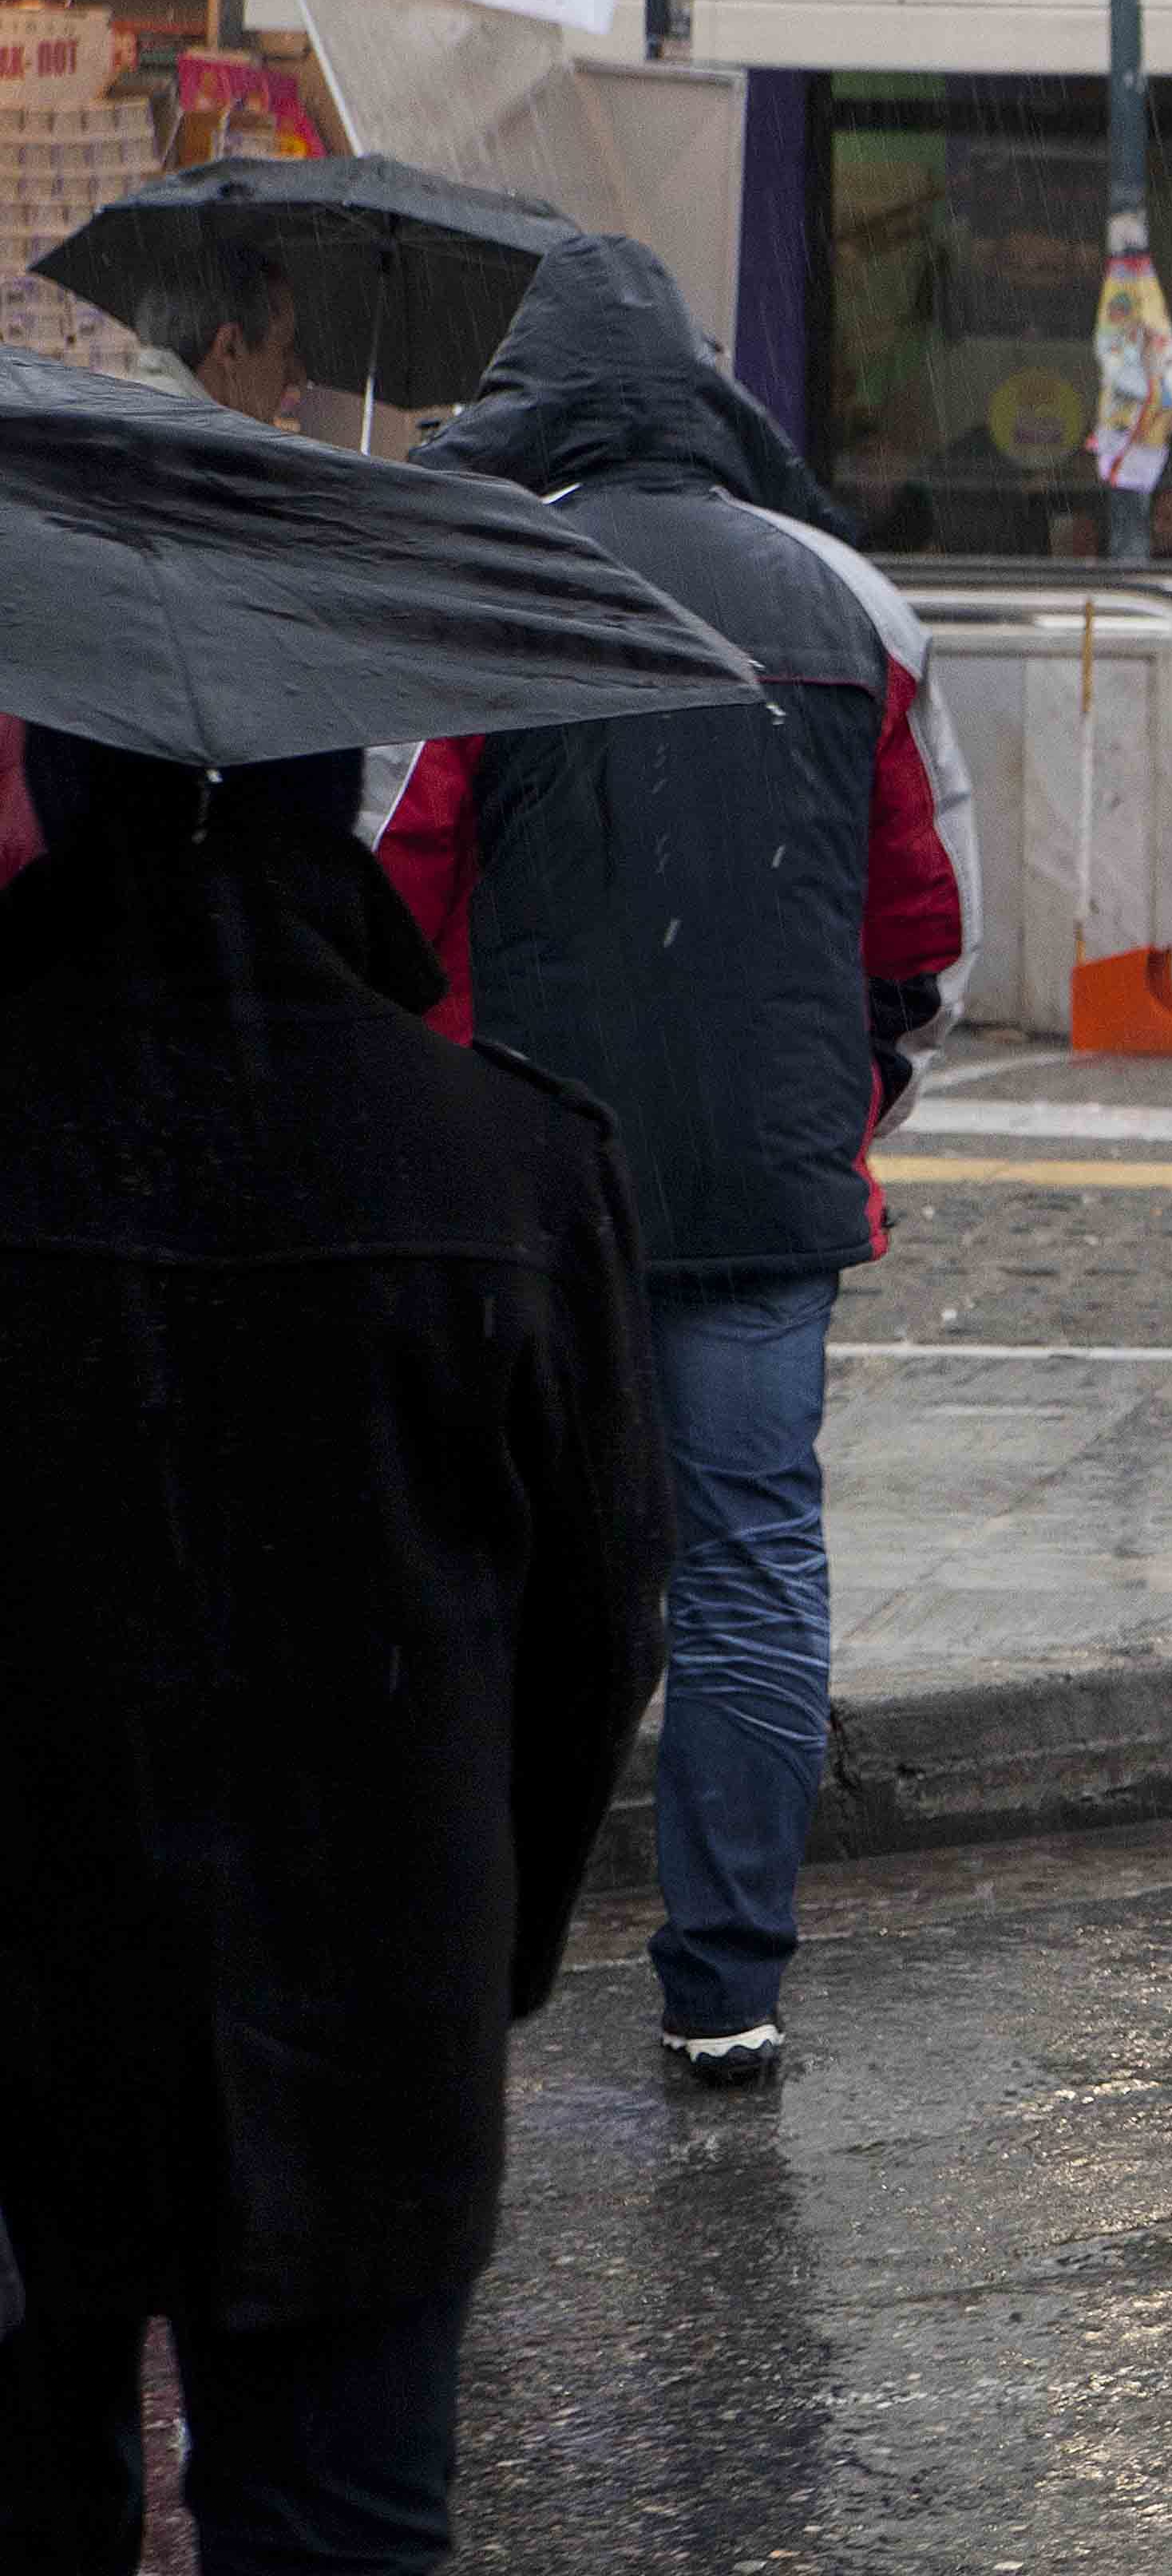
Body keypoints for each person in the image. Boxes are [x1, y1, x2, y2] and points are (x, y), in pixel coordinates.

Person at [0, 730, 670, 2571]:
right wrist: (485, 1950)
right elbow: (601, 1630)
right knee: (337, 2537)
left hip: (20, 2002)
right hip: (370, 2017)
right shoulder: (518, 1165)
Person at [373, 232, 978, 2095]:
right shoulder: (850, 599)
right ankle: (724, 1980)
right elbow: (925, 925)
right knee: (749, 1562)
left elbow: (393, 895)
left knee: (503, 1561)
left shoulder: (481, 586)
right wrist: (855, 1095)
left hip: (534, 1175)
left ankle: (474, 1968)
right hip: (771, 1183)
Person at [120, 243, 302, 429]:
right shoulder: (203, 445)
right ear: (230, 348)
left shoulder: (125, 416)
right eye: (284, 349)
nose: (296, 376)